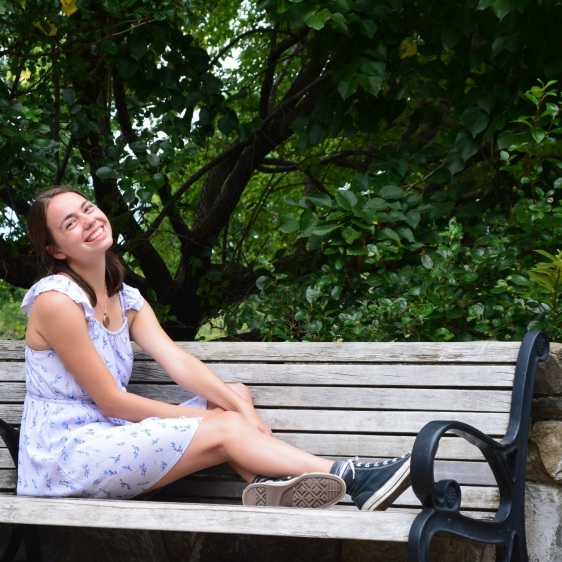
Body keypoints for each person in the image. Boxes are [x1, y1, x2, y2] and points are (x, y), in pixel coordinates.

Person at [17, 186, 411, 511]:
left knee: (233, 396)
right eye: (70, 223)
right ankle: (354, 478)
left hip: (110, 440)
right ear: (56, 250)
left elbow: (178, 361)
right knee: (224, 422)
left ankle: (266, 482)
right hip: (66, 459)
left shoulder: (127, 299)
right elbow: (112, 402)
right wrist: (214, 423)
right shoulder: (57, 301)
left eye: (88, 208)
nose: (88, 220)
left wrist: (242, 411)